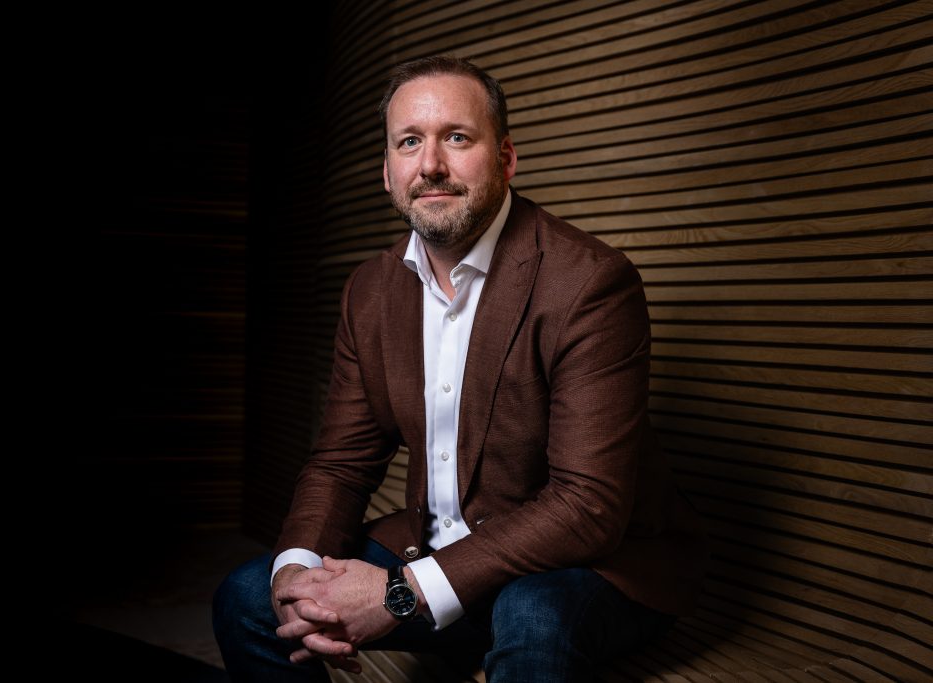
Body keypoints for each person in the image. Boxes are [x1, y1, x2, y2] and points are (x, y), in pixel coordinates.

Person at [213, 55, 709, 682]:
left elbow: (588, 505)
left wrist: (403, 594)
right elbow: (341, 461)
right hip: (434, 549)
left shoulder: (588, 283)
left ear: (505, 159)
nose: (431, 165)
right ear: (387, 173)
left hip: (589, 566)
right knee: (251, 601)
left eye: (456, 137)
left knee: (532, 618)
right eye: (410, 142)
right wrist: (294, 573)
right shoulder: (369, 291)